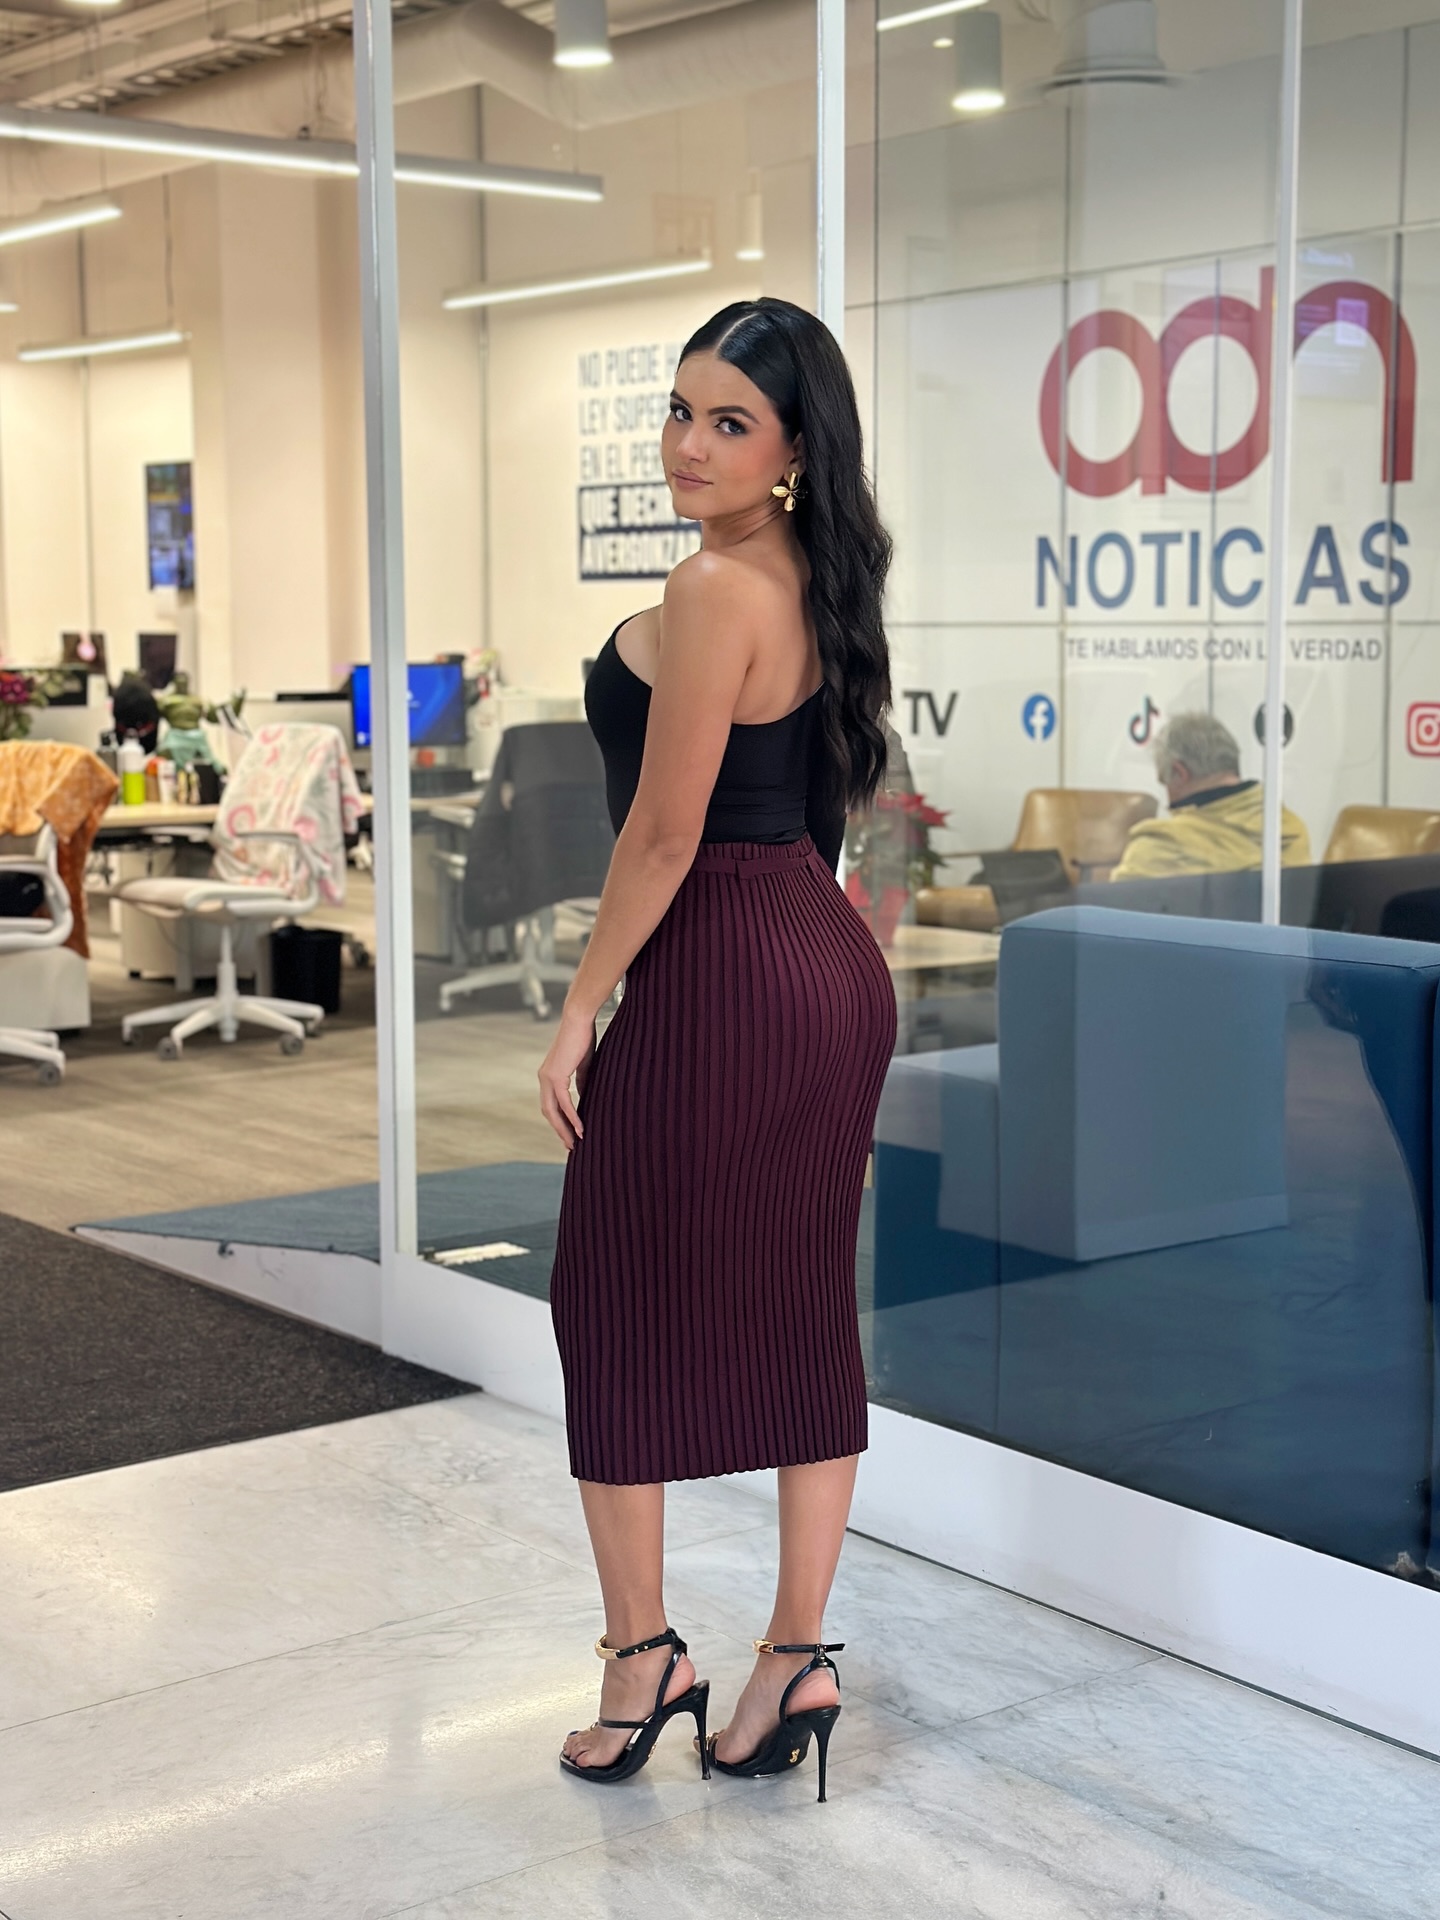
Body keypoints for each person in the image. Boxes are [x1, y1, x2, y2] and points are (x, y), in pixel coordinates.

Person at [538, 297, 898, 1804]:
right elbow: (810, 814)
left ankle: (644, 1662)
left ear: (793, 448)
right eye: (680, 412)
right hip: (822, 961)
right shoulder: (817, 577)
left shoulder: (712, 587)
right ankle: (795, 1660)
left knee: (609, 1296)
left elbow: (665, 832)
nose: (688, 444)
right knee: (802, 1306)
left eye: (728, 421)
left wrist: (581, 1004)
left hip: (724, 969)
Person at [1113, 711, 1310, 879]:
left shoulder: (1159, 846)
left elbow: (1115, 909)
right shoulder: (1290, 828)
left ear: (1179, 773)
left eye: (1163, 781)